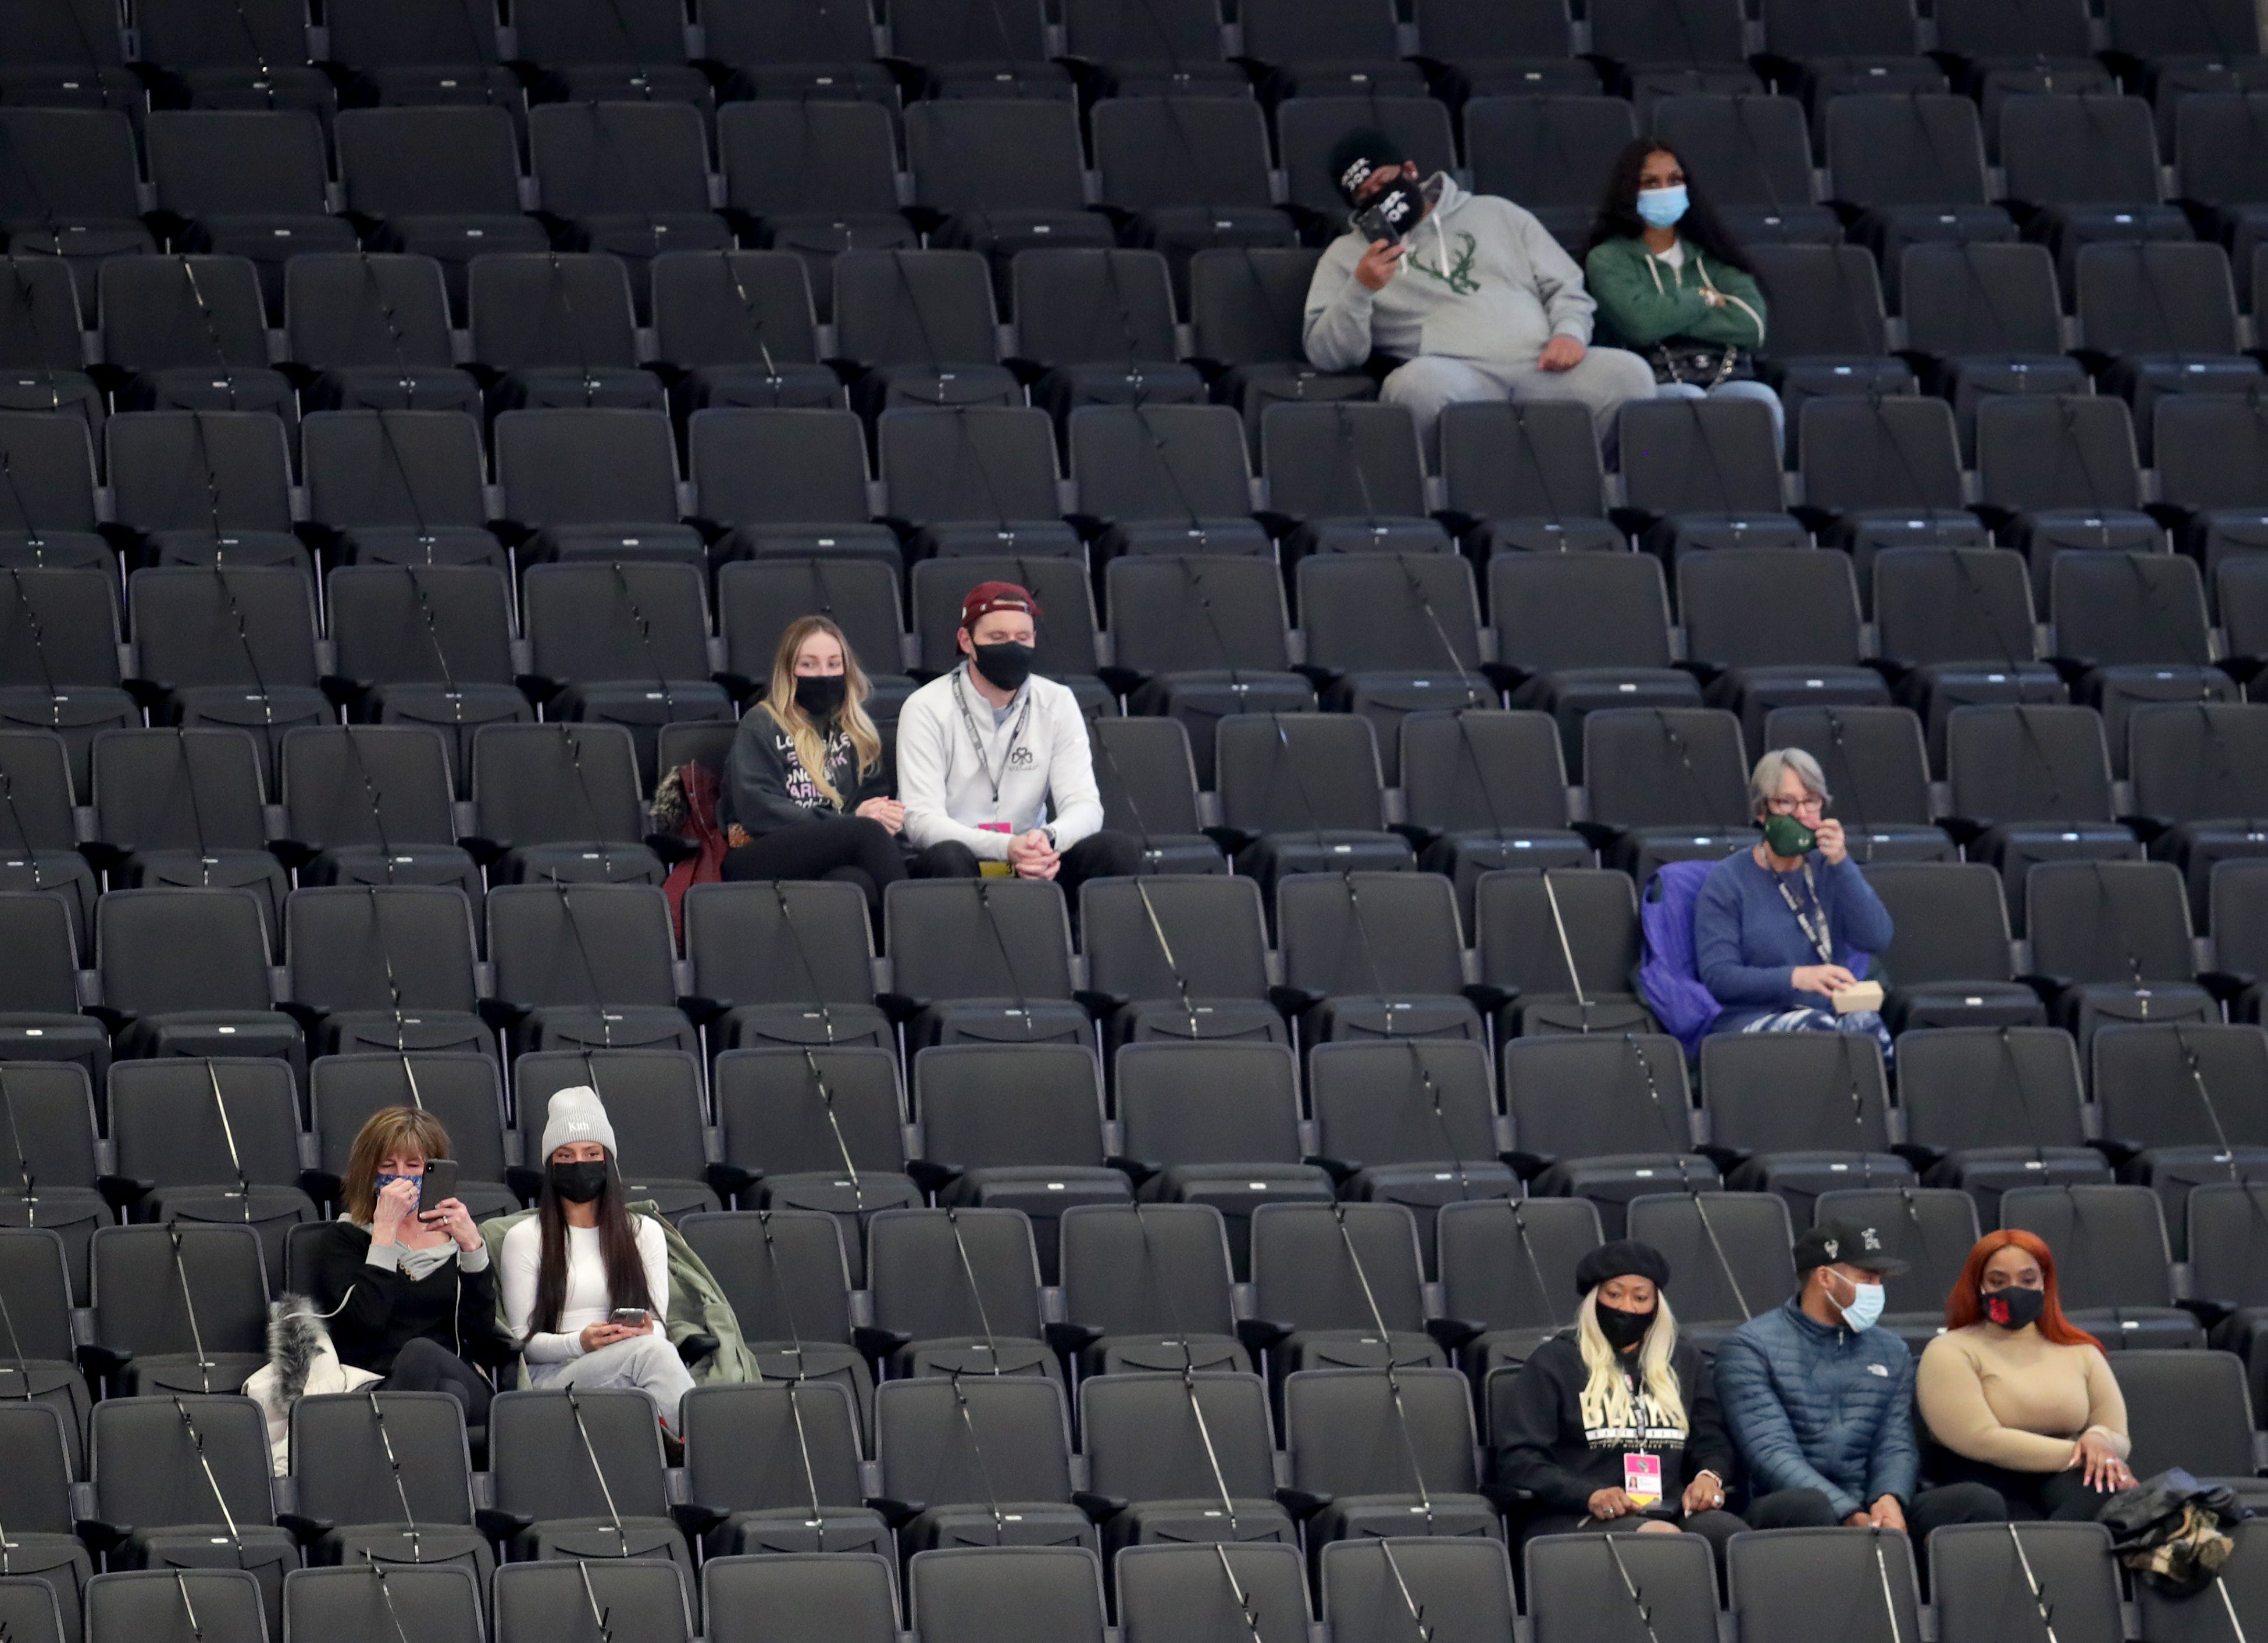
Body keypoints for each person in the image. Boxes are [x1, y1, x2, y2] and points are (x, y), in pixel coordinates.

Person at [1301, 126, 1656, 466]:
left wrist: (1570, 333)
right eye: (1365, 195)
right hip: (1456, 376)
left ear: (1409, 171)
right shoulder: (1347, 254)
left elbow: (1565, 285)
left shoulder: (1497, 212)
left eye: (1384, 181)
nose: (1379, 196)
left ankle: (1583, 485)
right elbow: (1326, 354)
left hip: (1542, 366)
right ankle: (1450, 496)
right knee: (1414, 386)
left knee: (1630, 376)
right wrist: (1360, 289)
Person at [1716, 1220, 2005, 1535]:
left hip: (1869, 1504)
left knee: (1978, 1502)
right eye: (1867, 1278)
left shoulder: (1891, 1350)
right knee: (1811, 1506)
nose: (1877, 1289)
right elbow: (1771, 1453)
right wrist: (1847, 1512)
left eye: (1879, 1280)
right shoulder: (1751, 1347)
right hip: (1787, 1505)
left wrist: (1889, 1498)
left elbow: (1895, 1442)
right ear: (1825, 1277)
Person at [1494, 1240, 1748, 1559]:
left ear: (1656, 1305)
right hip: (1574, 1513)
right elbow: (1520, 1460)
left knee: (1735, 1539)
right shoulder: (1554, 1362)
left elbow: (1710, 1439)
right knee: (1663, 1542)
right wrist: (1588, 1494)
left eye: (1640, 1298)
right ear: (1594, 1298)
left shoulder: (1683, 1360)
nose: (1627, 1307)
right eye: (1614, 1295)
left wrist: (1708, 1476)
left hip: (1668, 1507)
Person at [894, 580, 1141, 891]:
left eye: (1022, 638)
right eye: (997, 637)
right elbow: (921, 820)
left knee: (1115, 851)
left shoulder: (1057, 701)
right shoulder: (926, 706)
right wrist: (1006, 846)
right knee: (949, 858)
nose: (1012, 647)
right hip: (962, 857)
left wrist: (1048, 839)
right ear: (967, 641)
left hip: (1031, 856)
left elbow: (1085, 804)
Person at [500, 1086, 696, 1433]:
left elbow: (659, 1327)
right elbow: (522, 1343)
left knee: (651, 1350)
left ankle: (679, 1443)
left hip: (632, 1359)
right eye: (566, 1156)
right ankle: (699, 1445)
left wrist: (645, 1330)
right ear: (551, 1166)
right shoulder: (525, 1238)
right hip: (555, 1375)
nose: (580, 1164)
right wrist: (581, 1342)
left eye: (591, 1153)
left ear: (608, 1161)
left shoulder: (644, 1232)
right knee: (652, 1354)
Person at [1582, 138, 1785, 452]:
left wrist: (1664, 314)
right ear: (1629, 192)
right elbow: (1640, 324)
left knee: (1762, 400)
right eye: (1651, 183)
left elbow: (1752, 324)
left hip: (1724, 376)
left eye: (1675, 180)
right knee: (1685, 401)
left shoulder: (1714, 252)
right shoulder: (1608, 259)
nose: (1665, 190)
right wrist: (1703, 298)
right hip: (1653, 382)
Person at [312, 1105, 514, 1421]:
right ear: (370, 1173)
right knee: (448, 1394)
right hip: (378, 1383)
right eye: (388, 1165)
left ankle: (387, 1446)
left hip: (459, 1372)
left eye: (414, 1165)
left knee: (426, 1356)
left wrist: (472, 1248)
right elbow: (364, 1326)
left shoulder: (455, 1239)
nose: (401, 1176)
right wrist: (384, 1234)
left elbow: (480, 1336)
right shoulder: (345, 1238)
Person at [1916, 1231, 2135, 1520]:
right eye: (1998, 1282)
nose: (2014, 1291)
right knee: (1984, 1504)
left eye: (2028, 1280)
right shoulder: (1949, 1350)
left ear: (2045, 1282)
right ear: (1978, 1286)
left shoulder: (2081, 1350)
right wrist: (2084, 1454)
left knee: (2103, 1487)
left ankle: (2060, 1550)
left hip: (2059, 1477)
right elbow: (1980, 1439)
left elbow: (2118, 1436)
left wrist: (2098, 1437)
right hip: (1978, 1476)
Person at [1694, 749, 1894, 1048]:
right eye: (1786, 802)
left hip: (1827, 1012)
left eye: (1811, 801)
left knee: (1870, 1032)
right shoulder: (1728, 881)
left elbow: (1877, 937)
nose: (1801, 814)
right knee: (1816, 1031)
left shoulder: (1829, 868)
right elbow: (1719, 977)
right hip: (1752, 1017)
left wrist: (1843, 863)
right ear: (1762, 812)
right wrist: (1796, 978)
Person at [720, 615, 908, 919]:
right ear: (788, 671)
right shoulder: (762, 724)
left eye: (834, 664)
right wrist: (846, 822)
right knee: (865, 832)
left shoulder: (855, 730)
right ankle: (914, 929)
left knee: (854, 882)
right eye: (809, 665)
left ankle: (881, 947)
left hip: (832, 852)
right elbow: (759, 810)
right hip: (757, 850)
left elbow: (872, 800)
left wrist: (884, 815)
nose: (824, 674)